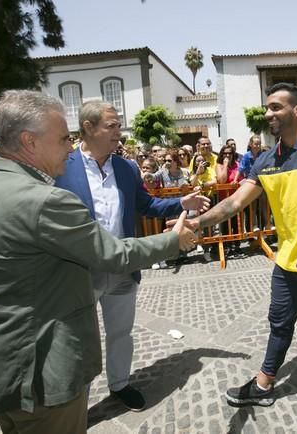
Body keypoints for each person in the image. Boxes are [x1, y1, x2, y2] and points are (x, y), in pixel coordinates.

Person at [0, 90, 196, 434]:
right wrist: (174, 241)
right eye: (62, 139)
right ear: (30, 141)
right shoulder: (45, 199)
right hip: (43, 379)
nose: (68, 147)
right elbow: (112, 253)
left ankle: (119, 384)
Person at [176, 82, 297, 420]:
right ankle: (264, 385)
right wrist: (197, 223)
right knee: (279, 323)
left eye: (276, 107)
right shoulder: (266, 159)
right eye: (267, 107)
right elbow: (235, 202)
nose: (268, 114)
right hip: (286, 260)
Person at [54, 101, 209, 411]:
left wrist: (182, 203)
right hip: (79, 270)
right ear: (88, 127)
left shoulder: (125, 167)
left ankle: (119, 384)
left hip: (123, 265)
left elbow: (146, 204)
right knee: (79, 340)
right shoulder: (61, 165)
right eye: (112, 126)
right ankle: (75, 403)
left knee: (121, 331)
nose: (119, 132)